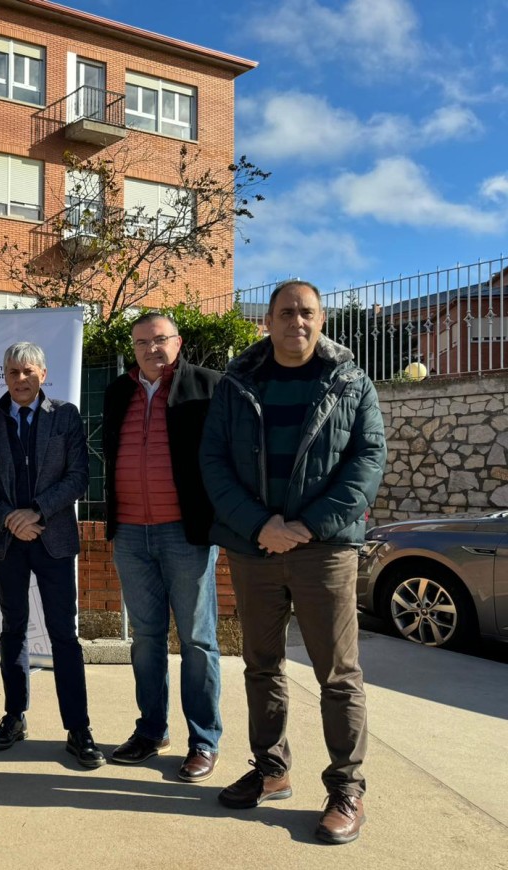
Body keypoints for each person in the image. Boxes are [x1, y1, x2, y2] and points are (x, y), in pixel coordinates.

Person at [200, 280, 386, 845]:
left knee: (338, 675)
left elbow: (368, 459)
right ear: (269, 321)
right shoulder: (237, 383)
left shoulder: (351, 381)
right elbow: (213, 460)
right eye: (285, 313)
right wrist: (262, 526)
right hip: (254, 548)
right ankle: (272, 769)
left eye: (306, 313)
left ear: (321, 318)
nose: (295, 323)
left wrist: (307, 526)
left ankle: (346, 788)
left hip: (323, 552)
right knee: (261, 666)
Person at [103, 313, 223, 782]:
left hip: (186, 533)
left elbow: (228, 456)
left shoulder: (209, 386)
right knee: (146, 639)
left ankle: (204, 740)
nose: (151, 349)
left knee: (197, 640)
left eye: (160, 340)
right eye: (141, 343)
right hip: (130, 534)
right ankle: (152, 730)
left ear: (178, 342)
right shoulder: (117, 392)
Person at [0, 342, 104, 768]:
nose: (21, 379)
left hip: (53, 538)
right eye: (13, 372)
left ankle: (78, 727)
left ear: (43, 375)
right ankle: (14, 716)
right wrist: (11, 517)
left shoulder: (64, 415)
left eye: (28, 371)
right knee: (13, 629)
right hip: (7, 540)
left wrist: (38, 511)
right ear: (4, 377)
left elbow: (79, 475)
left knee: (63, 634)